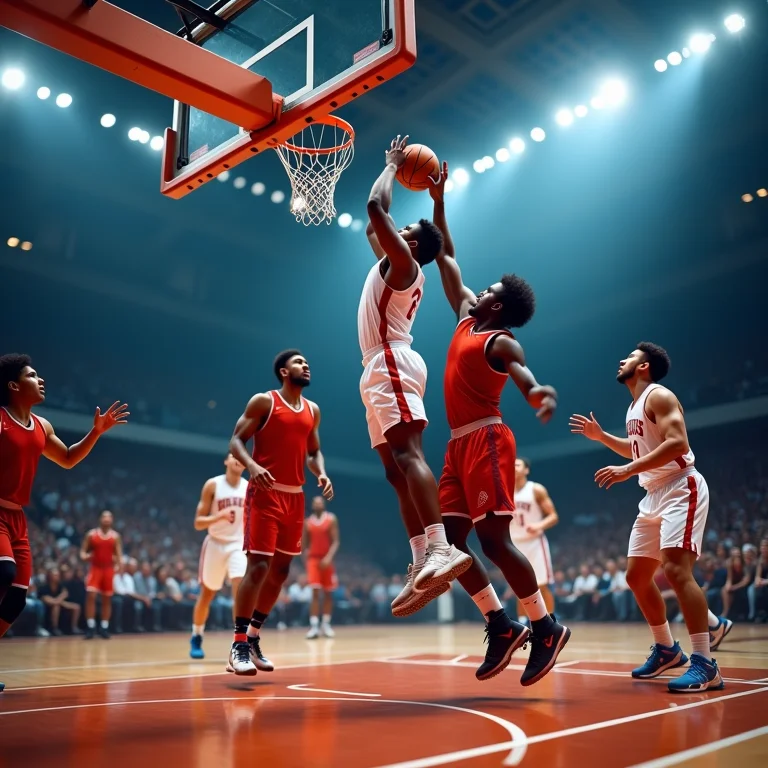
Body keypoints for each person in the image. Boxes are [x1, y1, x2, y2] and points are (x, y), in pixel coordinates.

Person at [423, 164, 570, 686]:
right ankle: (501, 623)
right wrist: (439, 201)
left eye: (487, 288)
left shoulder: (499, 339)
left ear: (498, 303)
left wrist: (537, 394)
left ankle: (545, 626)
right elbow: (446, 257)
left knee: (496, 541)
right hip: (456, 445)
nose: (477, 288)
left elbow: (523, 373)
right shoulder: (466, 315)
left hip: (487, 437)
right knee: (449, 544)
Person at [570, 342, 727, 692]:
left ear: (644, 367)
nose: (622, 358)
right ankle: (668, 650)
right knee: (637, 577)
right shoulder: (635, 406)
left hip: (679, 486)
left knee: (675, 569)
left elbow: (677, 444)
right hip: (653, 494)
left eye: (630, 356)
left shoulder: (659, 395)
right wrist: (602, 437)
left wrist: (627, 471)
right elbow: (638, 447)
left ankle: (705, 662)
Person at [360, 135, 471, 603]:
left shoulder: (404, 263)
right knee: (393, 471)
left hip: (391, 358)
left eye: (403, 227)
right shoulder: (395, 260)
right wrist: (436, 203)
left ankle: (441, 547)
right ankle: (424, 557)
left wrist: (390, 166)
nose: (393, 230)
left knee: (409, 458)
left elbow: (373, 207)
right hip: (377, 364)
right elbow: (374, 229)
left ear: (410, 242)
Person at [0, 353, 127, 692]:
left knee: (15, 600)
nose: (40, 379)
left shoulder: (42, 426)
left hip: (18, 518)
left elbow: (69, 459)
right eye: (32, 375)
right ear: (13, 385)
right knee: (4, 572)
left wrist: (96, 433)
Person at [227, 349, 333, 675]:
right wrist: (252, 465)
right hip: (265, 494)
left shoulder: (312, 411)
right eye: (299, 362)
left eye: (306, 362)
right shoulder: (264, 402)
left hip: (296, 497)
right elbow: (235, 441)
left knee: (281, 573)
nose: (306, 365)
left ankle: (255, 637)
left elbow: (314, 452)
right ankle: (238, 644)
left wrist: (321, 472)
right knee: (258, 568)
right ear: (284, 372)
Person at [189, 454, 248, 659]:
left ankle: (240, 643)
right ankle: (196, 635)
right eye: (234, 456)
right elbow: (198, 523)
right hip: (215, 543)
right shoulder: (213, 485)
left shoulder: (249, 487)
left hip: (238, 544)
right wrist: (219, 517)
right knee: (207, 595)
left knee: (240, 593)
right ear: (226, 461)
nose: (238, 459)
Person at [510, 457, 558, 624]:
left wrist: (538, 525)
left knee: (542, 585)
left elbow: (553, 516)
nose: (513, 467)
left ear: (526, 470)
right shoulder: (504, 492)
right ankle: (523, 624)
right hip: (514, 544)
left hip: (535, 542)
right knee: (519, 587)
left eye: (517, 465)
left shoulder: (536, 490)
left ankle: (551, 622)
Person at [80, 509, 122, 639]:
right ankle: (91, 626)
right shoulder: (91, 535)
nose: (106, 519)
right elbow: (82, 553)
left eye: (109, 517)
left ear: (112, 520)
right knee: (91, 596)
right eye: (104, 516)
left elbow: (119, 555)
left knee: (106, 598)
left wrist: (117, 568)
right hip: (95, 568)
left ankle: (104, 627)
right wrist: (86, 557)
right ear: (100, 519)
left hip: (108, 569)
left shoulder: (115, 536)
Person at [303, 495, 340, 639]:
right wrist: (306, 560)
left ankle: (326, 624)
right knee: (315, 592)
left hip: (327, 559)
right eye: (315, 503)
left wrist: (329, 558)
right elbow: (304, 544)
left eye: (320, 502)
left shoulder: (331, 519)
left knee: (328, 593)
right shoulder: (307, 522)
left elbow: (336, 541)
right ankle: (314, 626)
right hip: (313, 560)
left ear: (323, 505)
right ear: (313, 505)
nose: (318, 505)